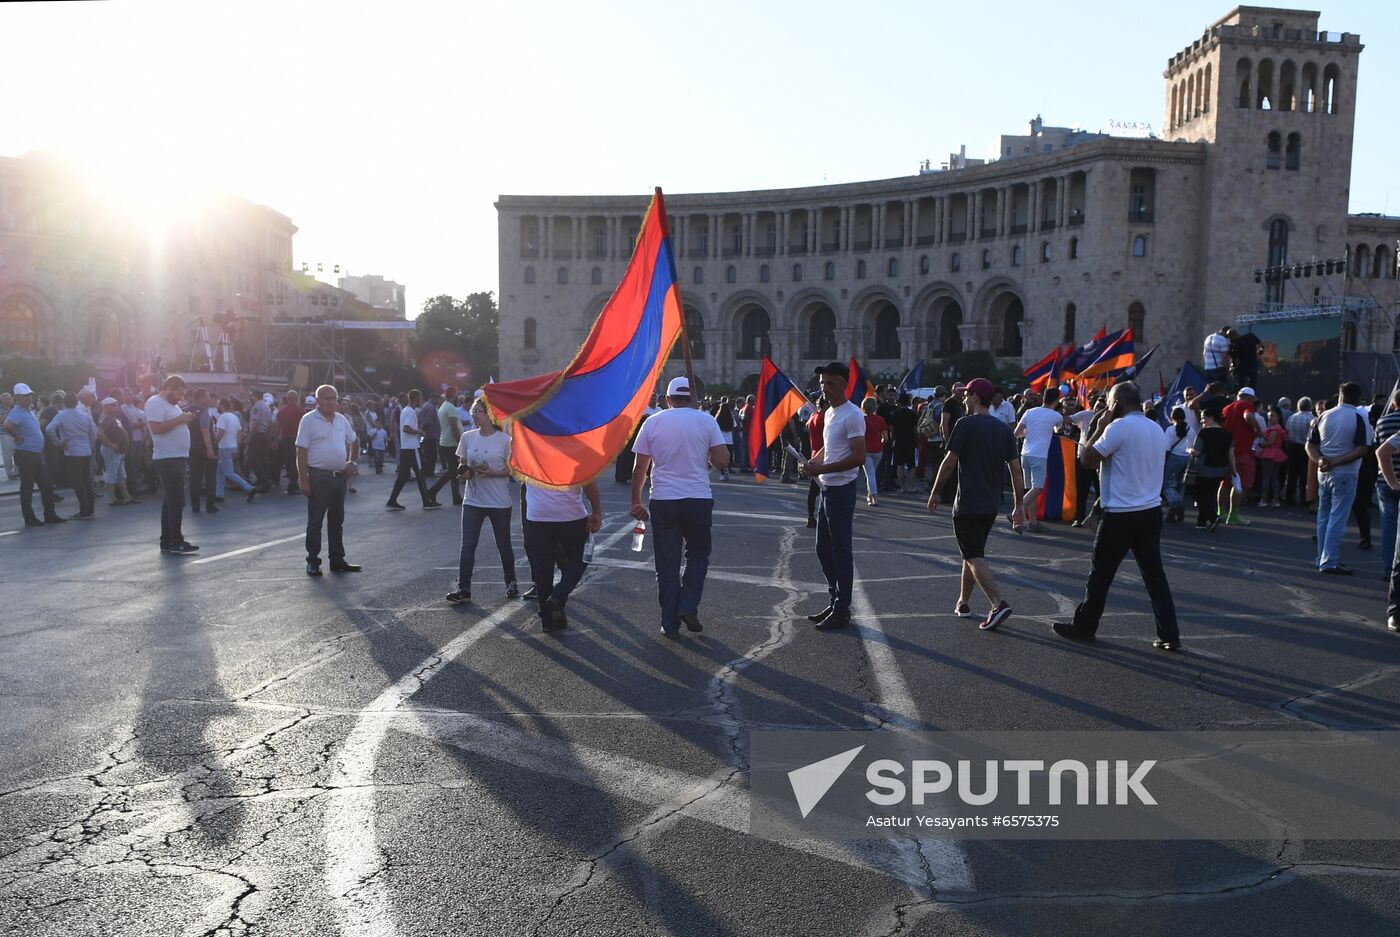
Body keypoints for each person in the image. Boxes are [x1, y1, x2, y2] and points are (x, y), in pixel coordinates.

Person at [1053, 382, 1181, 651]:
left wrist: (1100, 426)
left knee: (1100, 575)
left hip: (1121, 513)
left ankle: (1084, 626)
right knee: (1154, 576)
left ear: (1116, 405)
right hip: (1150, 510)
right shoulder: (1155, 428)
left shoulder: (1117, 427)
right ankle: (1169, 634)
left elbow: (1087, 459)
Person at [629, 376, 729, 638]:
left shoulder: (653, 421)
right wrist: (705, 451)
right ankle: (688, 605)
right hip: (697, 498)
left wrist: (635, 501)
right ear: (693, 399)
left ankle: (669, 622)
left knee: (667, 565)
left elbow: (640, 466)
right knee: (697, 556)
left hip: (663, 499)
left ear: (668, 399)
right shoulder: (707, 420)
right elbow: (721, 461)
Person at [927, 377, 1024, 631]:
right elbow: (1016, 470)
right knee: (971, 553)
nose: (964, 399)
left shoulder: (964, 424)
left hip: (968, 502)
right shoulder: (1003, 429)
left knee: (973, 554)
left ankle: (997, 604)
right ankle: (964, 602)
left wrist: (936, 491)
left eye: (967, 395)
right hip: (991, 504)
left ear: (976, 398)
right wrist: (1019, 504)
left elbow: (949, 462)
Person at [801, 362, 868, 631]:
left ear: (843, 384)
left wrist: (822, 468)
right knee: (822, 548)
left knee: (841, 550)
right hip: (827, 487)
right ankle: (835, 599)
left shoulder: (853, 414)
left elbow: (859, 456)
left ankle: (842, 608)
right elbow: (828, 448)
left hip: (841, 489)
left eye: (829, 383)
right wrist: (811, 462)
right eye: (821, 384)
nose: (824, 388)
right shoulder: (829, 413)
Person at [445, 397, 518, 604]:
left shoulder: (504, 440)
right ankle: (464, 587)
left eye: (478, 411)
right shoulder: (468, 437)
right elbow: (463, 465)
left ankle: (511, 582)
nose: (474, 415)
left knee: (503, 544)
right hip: (473, 500)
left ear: (489, 415)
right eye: (473, 412)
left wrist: (493, 473)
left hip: (498, 502)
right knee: (467, 544)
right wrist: (465, 474)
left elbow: (512, 470)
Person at [294, 384, 361, 576]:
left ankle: (337, 559)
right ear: (317, 401)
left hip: (339, 477)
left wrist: (352, 462)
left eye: (334, 398)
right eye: (327, 398)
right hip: (318, 477)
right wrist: (303, 479)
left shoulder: (341, 420)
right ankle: (313, 561)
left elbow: (354, 441)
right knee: (315, 521)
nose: (332, 402)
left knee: (336, 521)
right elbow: (301, 451)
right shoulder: (308, 420)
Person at [1307, 382, 1369, 576]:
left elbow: (1309, 444)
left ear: (1340, 396)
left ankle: (1322, 558)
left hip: (1323, 472)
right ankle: (1329, 560)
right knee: (1337, 518)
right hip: (1345, 473)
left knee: (1323, 516)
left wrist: (1321, 460)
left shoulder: (1324, 415)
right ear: (1358, 398)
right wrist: (1336, 461)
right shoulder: (1359, 416)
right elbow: (1362, 448)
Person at [524, 478, 603, 632]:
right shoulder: (575, 452)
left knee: (543, 566)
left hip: (537, 513)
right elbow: (587, 480)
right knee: (580, 557)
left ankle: (547, 620)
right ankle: (558, 596)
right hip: (570, 513)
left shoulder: (529, 451)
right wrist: (597, 511)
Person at [146, 375, 199, 555]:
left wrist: (184, 418)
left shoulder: (171, 405)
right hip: (167, 457)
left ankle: (167, 540)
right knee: (176, 500)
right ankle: (176, 541)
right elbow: (157, 428)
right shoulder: (155, 402)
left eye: (182, 394)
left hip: (176, 456)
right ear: (168, 388)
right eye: (178, 393)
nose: (180, 397)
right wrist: (181, 419)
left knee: (170, 500)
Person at [4, 384, 63, 527]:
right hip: (26, 454)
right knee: (27, 486)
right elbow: (7, 425)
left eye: (29, 395)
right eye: (25, 396)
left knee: (47, 485)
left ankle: (49, 514)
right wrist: (17, 437)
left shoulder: (28, 411)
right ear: (18, 398)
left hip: (35, 453)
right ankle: (29, 517)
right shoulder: (17, 412)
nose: (29, 398)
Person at [1013, 386, 1065, 532]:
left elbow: (1017, 433)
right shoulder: (1056, 416)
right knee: (1038, 488)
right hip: (1039, 456)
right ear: (1056, 400)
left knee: (1031, 489)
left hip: (1025, 454)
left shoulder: (1029, 412)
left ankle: (1032, 522)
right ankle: (1018, 510)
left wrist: (1029, 433)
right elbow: (1058, 431)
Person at [46, 393, 98, 519]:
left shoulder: (62, 416)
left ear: (64, 403)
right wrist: (90, 445)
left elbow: (49, 429)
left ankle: (84, 510)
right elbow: (93, 433)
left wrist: (58, 443)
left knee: (77, 482)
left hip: (72, 452)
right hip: (86, 451)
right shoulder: (84, 416)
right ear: (76, 402)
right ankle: (90, 508)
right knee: (87, 481)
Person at [387, 389, 438, 510]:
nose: (421, 400)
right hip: (412, 447)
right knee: (420, 474)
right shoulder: (410, 412)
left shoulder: (405, 410)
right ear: (416, 398)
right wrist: (419, 431)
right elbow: (406, 428)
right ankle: (426, 502)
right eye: (420, 398)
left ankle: (392, 500)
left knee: (403, 475)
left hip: (406, 447)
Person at [1188, 407, 1236, 530]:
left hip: (1204, 468)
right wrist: (1234, 470)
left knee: (1201, 496)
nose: (1202, 421)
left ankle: (1213, 517)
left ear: (1211, 418)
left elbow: (1197, 452)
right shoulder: (1228, 434)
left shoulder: (1203, 433)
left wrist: (1189, 450)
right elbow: (1231, 454)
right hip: (1221, 468)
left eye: (1204, 418)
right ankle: (1201, 522)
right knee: (1210, 494)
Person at [1220, 387, 1260, 525]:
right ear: (1250, 398)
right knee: (1239, 484)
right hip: (1242, 451)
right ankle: (1234, 514)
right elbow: (1248, 416)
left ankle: (1220, 513)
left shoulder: (1226, 408)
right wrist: (1258, 429)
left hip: (1226, 451)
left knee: (1224, 483)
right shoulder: (1246, 405)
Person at [214, 398, 258, 502]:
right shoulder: (234, 417)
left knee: (229, 472)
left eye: (218, 404)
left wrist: (214, 443)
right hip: (232, 447)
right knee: (220, 471)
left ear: (222, 406)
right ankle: (219, 493)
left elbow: (220, 432)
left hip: (224, 447)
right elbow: (240, 433)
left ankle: (249, 488)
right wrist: (237, 446)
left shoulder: (223, 417)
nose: (217, 406)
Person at [1374, 395, 1400, 570]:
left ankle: (1388, 568)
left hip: (1386, 478)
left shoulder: (1382, 421)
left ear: (1393, 403)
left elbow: (1376, 447)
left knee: (1388, 525)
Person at [97, 397, 137, 506]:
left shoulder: (113, 418)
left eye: (116, 404)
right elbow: (99, 433)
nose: (116, 407)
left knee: (120, 474)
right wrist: (110, 445)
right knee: (111, 472)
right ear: (107, 407)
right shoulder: (106, 418)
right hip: (111, 450)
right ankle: (112, 498)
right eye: (113, 405)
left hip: (118, 451)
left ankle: (126, 496)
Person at [430, 385, 465, 506]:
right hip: (451, 443)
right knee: (452, 471)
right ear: (454, 395)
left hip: (447, 442)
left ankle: (456, 496)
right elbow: (454, 427)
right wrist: (460, 442)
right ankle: (433, 491)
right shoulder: (450, 408)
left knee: (453, 471)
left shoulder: (443, 406)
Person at [186, 388, 218, 514]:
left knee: (195, 477)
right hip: (204, 446)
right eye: (207, 396)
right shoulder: (204, 412)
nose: (209, 399)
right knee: (210, 477)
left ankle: (195, 506)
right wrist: (210, 449)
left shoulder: (187, 410)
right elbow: (205, 431)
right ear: (200, 397)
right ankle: (210, 505)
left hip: (192, 446)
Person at [1162, 406, 1194, 523]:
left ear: (1172, 417)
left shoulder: (1170, 430)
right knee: (1181, 485)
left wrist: (1163, 462)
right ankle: (1173, 511)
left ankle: (1175, 505)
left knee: (1166, 484)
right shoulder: (1191, 429)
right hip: (1186, 458)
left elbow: (1166, 448)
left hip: (1173, 458)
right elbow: (1192, 446)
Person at [1285, 397, 1314, 506]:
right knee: (1304, 474)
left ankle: (1289, 497)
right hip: (1305, 448)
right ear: (1309, 406)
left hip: (1292, 447)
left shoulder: (1292, 417)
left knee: (1292, 473)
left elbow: (1286, 433)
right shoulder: (1311, 418)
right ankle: (1304, 497)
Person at [888, 393, 919, 494]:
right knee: (912, 465)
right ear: (909, 402)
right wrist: (918, 441)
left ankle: (902, 487)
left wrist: (893, 438)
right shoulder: (913, 413)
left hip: (898, 441)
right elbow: (915, 429)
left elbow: (891, 428)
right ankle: (910, 486)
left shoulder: (895, 414)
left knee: (899, 464)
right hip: (910, 441)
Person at [1258, 407, 1288, 507]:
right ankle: (1275, 499)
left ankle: (1263, 499)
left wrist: (1261, 444)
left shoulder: (1274, 428)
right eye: (1269, 416)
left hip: (1269, 454)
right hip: (1277, 454)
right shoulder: (1279, 428)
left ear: (1278, 417)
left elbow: (1270, 442)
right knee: (1275, 478)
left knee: (1266, 478)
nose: (1269, 418)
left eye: (1272, 416)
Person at [276, 390, 304, 494]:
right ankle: (293, 484)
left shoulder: (282, 411)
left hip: (285, 438)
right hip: (297, 439)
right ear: (296, 398)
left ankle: (293, 484)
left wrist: (275, 440)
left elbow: (278, 426)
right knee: (296, 461)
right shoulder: (301, 410)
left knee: (288, 461)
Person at [804, 397, 827, 526]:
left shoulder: (813, 417)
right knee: (826, 489)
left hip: (814, 454)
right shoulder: (825, 418)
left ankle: (810, 516)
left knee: (813, 491)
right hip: (824, 455)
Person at [247, 391, 275, 492]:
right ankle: (264, 481)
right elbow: (270, 424)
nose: (250, 398)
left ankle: (263, 482)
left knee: (252, 459)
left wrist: (249, 437)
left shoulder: (257, 406)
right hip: (264, 435)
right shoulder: (266, 407)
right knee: (263, 460)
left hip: (257, 435)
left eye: (251, 396)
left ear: (254, 396)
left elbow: (255, 422)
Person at [860, 397, 885, 506]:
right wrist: (880, 443)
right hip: (878, 450)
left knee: (870, 474)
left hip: (865, 450)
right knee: (872, 473)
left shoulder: (861, 419)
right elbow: (885, 437)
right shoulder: (880, 419)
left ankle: (874, 497)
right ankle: (870, 496)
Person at [419, 391, 442, 481]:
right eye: (438, 399)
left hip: (430, 435)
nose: (439, 400)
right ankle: (429, 472)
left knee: (429, 454)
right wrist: (423, 431)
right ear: (434, 398)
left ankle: (428, 471)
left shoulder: (428, 406)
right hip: (430, 436)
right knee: (431, 454)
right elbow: (427, 422)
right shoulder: (430, 408)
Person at [0, 392, 16, 482]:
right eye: (7, 399)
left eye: (10, 398)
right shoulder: (1, 409)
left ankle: (17, 472)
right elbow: (1, 421)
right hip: (5, 434)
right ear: (2, 400)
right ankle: (10, 473)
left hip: (15, 433)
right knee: (7, 455)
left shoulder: (14, 408)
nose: (10, 400)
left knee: (17, 454)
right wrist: (10, 412)